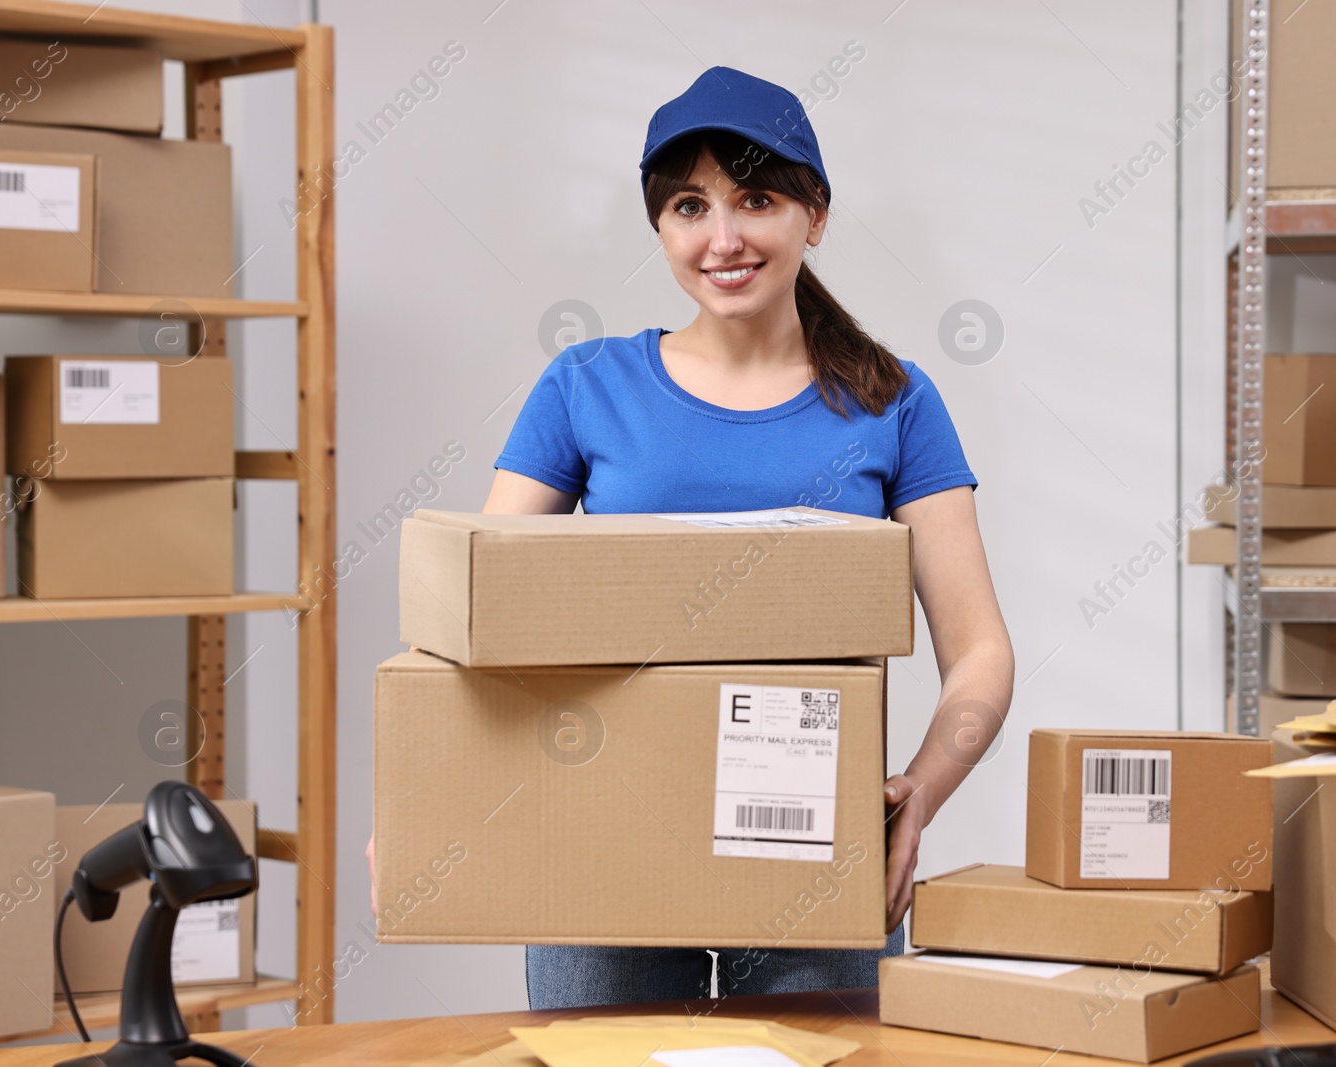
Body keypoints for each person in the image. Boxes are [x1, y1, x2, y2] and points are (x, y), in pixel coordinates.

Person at [371, 64, 1014, 1011]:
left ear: (815, 214)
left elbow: (982, 650)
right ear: (660, 227)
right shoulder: (587, 387)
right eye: (688, 205)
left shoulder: (894, 401)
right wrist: (425, 801)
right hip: (603, 838)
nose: (723, 238)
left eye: (756, 198)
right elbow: (477, 615)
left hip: (813, 852)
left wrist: (919, 792)